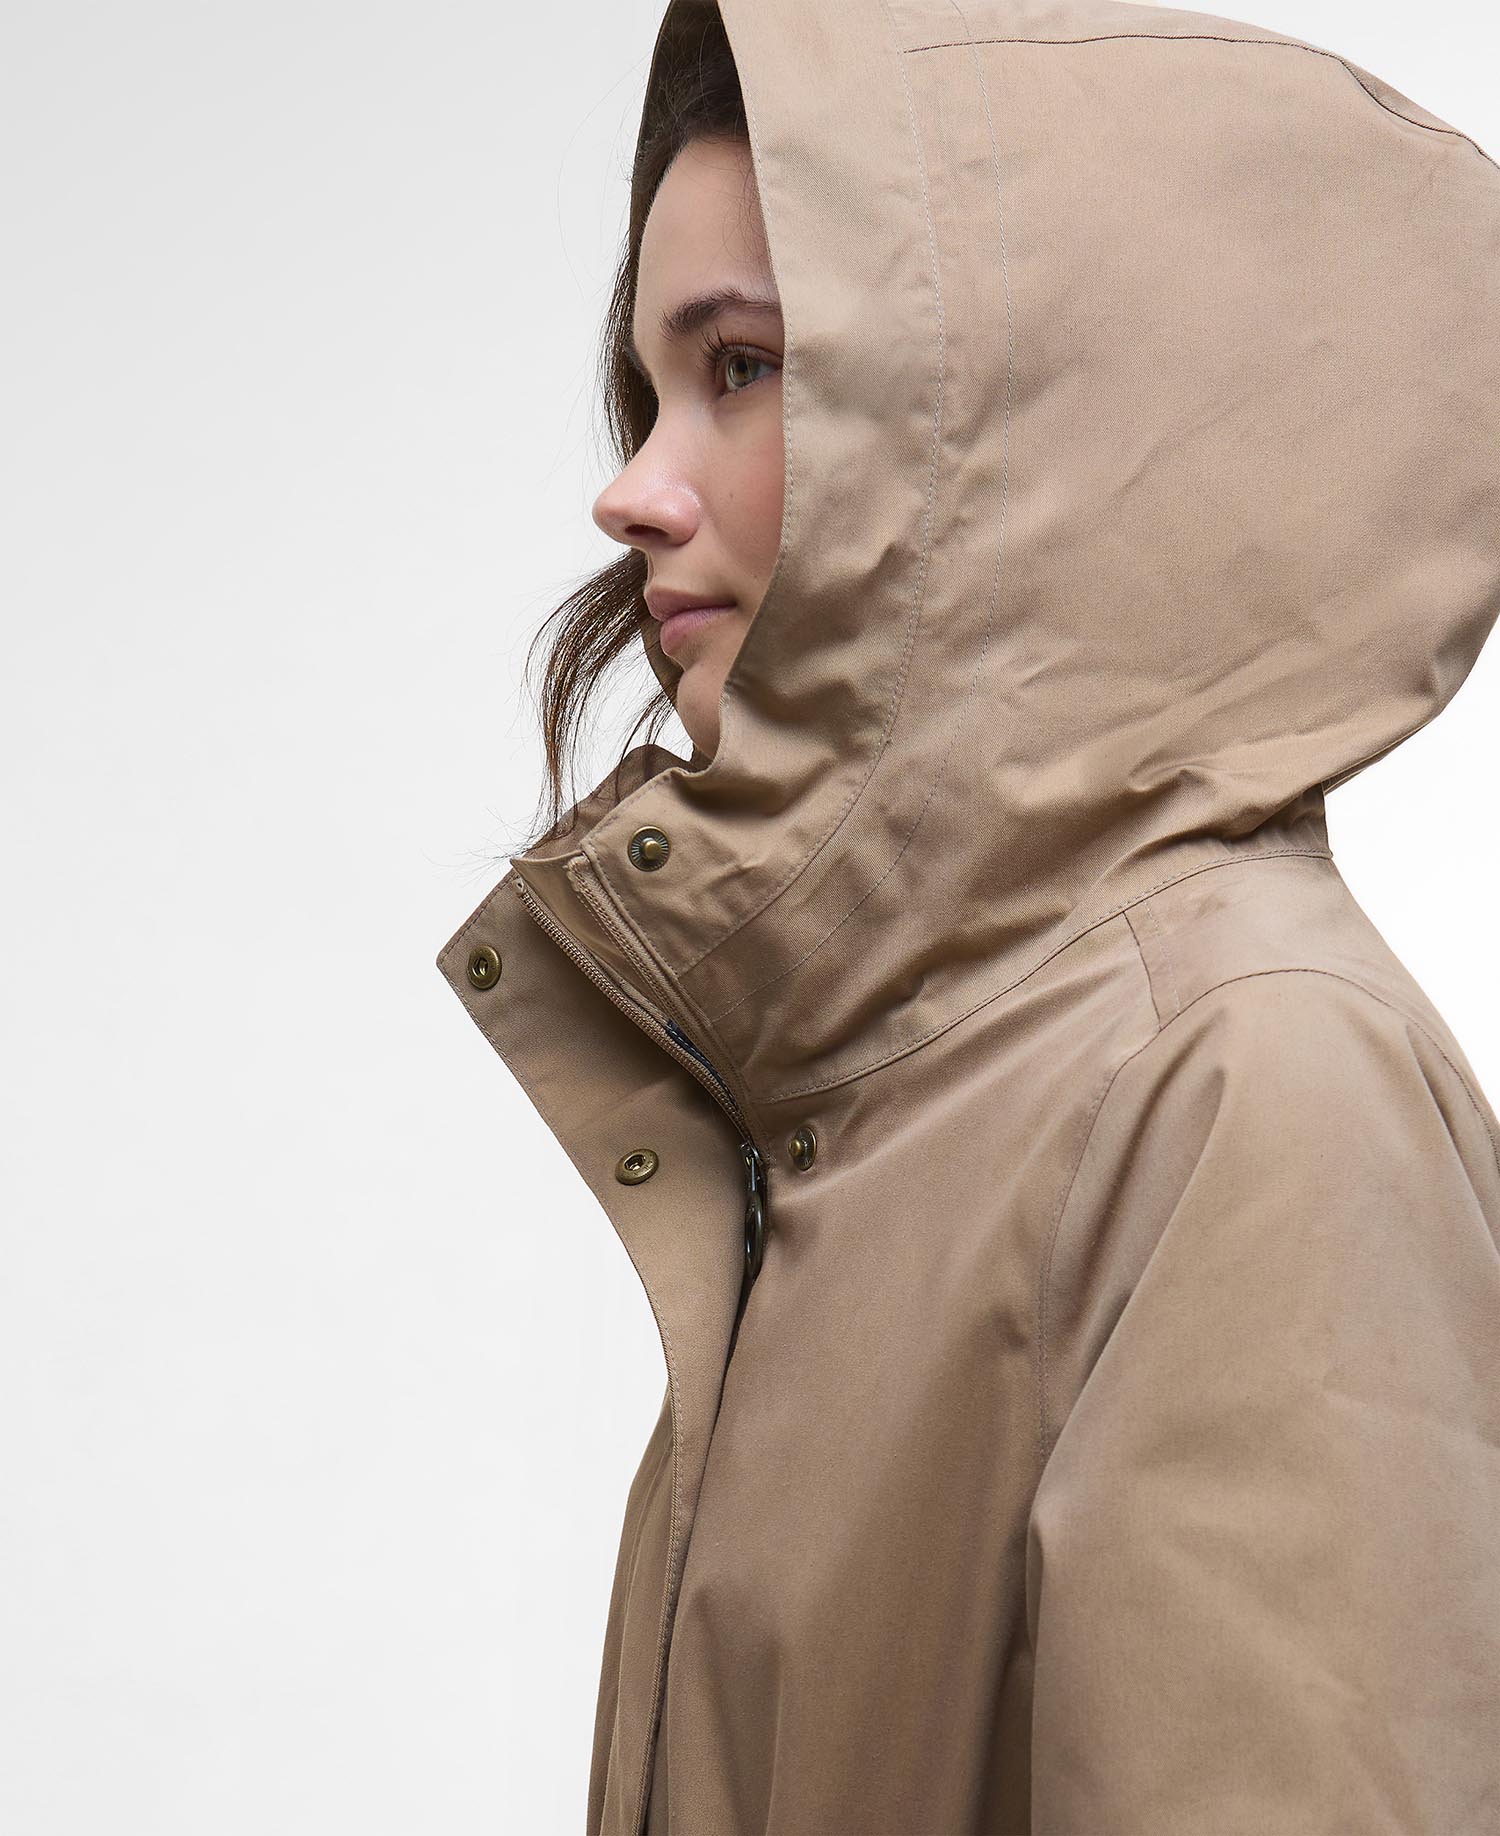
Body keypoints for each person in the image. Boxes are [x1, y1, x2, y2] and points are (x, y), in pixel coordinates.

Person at [436, 0, 1500, 1829]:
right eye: (652, 391)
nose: (633, 490)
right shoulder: (875, 1101)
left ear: (1029, 439)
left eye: (744, 369)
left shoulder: (1248, 1089)